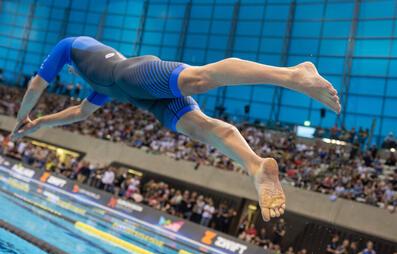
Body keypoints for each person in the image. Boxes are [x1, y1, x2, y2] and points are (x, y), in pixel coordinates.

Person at [10, 36, 341, 222]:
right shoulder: (99, 87)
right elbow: (80, 112)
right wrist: (38, 124)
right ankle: (256, 166)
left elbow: (36, 86)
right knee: (201, 128)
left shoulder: (70, 46)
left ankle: (293, 75)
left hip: (135, 74)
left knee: (199, 78)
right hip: (143, 98)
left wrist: (20, 119)